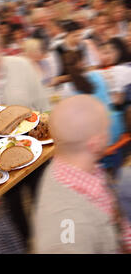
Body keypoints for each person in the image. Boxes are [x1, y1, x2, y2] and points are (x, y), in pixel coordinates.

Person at [33, 95, 131, 253]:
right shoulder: (69, 228)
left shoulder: (70, 164)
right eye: (106, 128)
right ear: (95, 143)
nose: (109, 131)